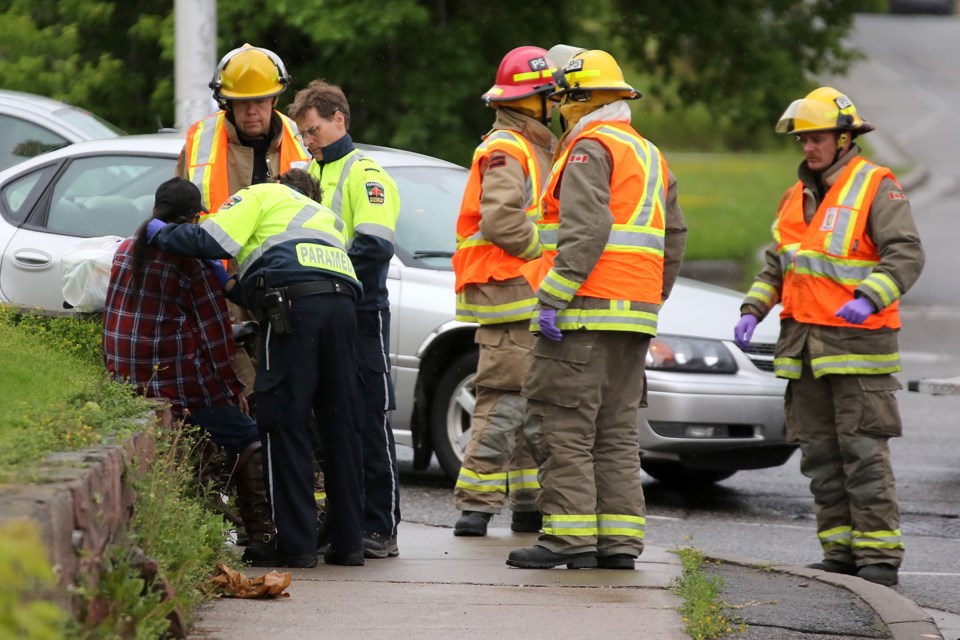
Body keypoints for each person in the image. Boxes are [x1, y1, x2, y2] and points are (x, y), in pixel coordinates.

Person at [733, 87, 924, 587]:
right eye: (803, 140)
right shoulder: (796, 195)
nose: (808, 148)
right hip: (805, 352)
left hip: (858, 350)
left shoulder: (876, 185)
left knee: (862, 454)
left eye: (816, 139)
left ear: (844, 139)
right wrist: (753, 308)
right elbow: (778, 264)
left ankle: (880, 557)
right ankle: (839, 551)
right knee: (819, 456)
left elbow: (904, 255)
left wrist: (870, 297)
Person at [508, 49, 687, 569]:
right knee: (615, 434)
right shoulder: (648, 152)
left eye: (562, 99)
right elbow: (673, 235)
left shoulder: (589, 147)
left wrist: (555, 295)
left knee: (563, 426)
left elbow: (587, 228)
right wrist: (652, 296)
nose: (559, 109)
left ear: (579, 100)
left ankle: (568, 540)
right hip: (633, 317)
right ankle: (618, 545)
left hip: (583, 312)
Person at [148, 169, 365, 569]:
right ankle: (349, 545)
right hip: (343, 307)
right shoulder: (322, 216)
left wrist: (158, 231)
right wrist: (230, 284)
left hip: (294, 309)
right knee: (340, 425)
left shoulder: (261, 194)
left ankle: (296, 546)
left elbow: (208, 239)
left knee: (284, 422)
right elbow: (286, 270)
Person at [102, 177, 275, 565]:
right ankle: (262, 534)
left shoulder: (124, 249)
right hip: (172, 381)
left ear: (155, 210)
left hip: (123, 373)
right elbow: (214, 338)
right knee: (248, 437)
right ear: (195, 220)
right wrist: (232, 391)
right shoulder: (191, 260)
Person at [287, 81, 402, 559]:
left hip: (359, 313)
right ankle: (348, 522)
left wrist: (323, 273)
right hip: (323, 311)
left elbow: (374, 246)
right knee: (331, 420)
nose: (308, 140)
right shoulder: (311, 171)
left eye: (313, 131)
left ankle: (381, 526)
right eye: (303, 134)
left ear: (340, 120)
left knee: (368, 418)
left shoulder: (365, 173)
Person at [449, 46, 559, 537]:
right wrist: (543, 253)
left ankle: (528, 505)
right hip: (509, 287)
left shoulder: (530, 144)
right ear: (528, 100)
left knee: (530, 402)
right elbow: (499, 218)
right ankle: (476, 505)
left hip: (520, 290)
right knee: (504, 400)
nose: (555, 103)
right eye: (547, 95)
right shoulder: (509, 147)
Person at [176, 43, 312, 409]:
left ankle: (275, 457)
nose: (253, 111)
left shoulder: (303, 141)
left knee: (286, 389)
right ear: (227, 104)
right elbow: (181, 214)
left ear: (275, 99)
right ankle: (247, 458)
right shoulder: (201, 140)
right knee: (239, 391)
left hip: (285, 281)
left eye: (262, 101)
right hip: (220, 283)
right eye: (243, 103)